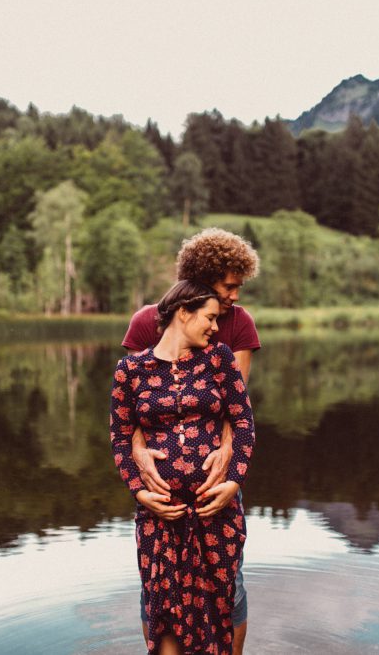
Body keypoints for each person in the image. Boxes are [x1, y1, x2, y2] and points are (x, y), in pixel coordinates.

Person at [122, 228, 260, 653]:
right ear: (203, 276)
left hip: (215, 481)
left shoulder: (238, 324)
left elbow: (236, 408)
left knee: (228, 582)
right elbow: (130, 407)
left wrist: (227, 459)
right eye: (229, 285)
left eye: (239, 286)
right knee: (159, 588)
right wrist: (139, 451)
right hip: (161, 492)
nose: (234, 296)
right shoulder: (147, 321)